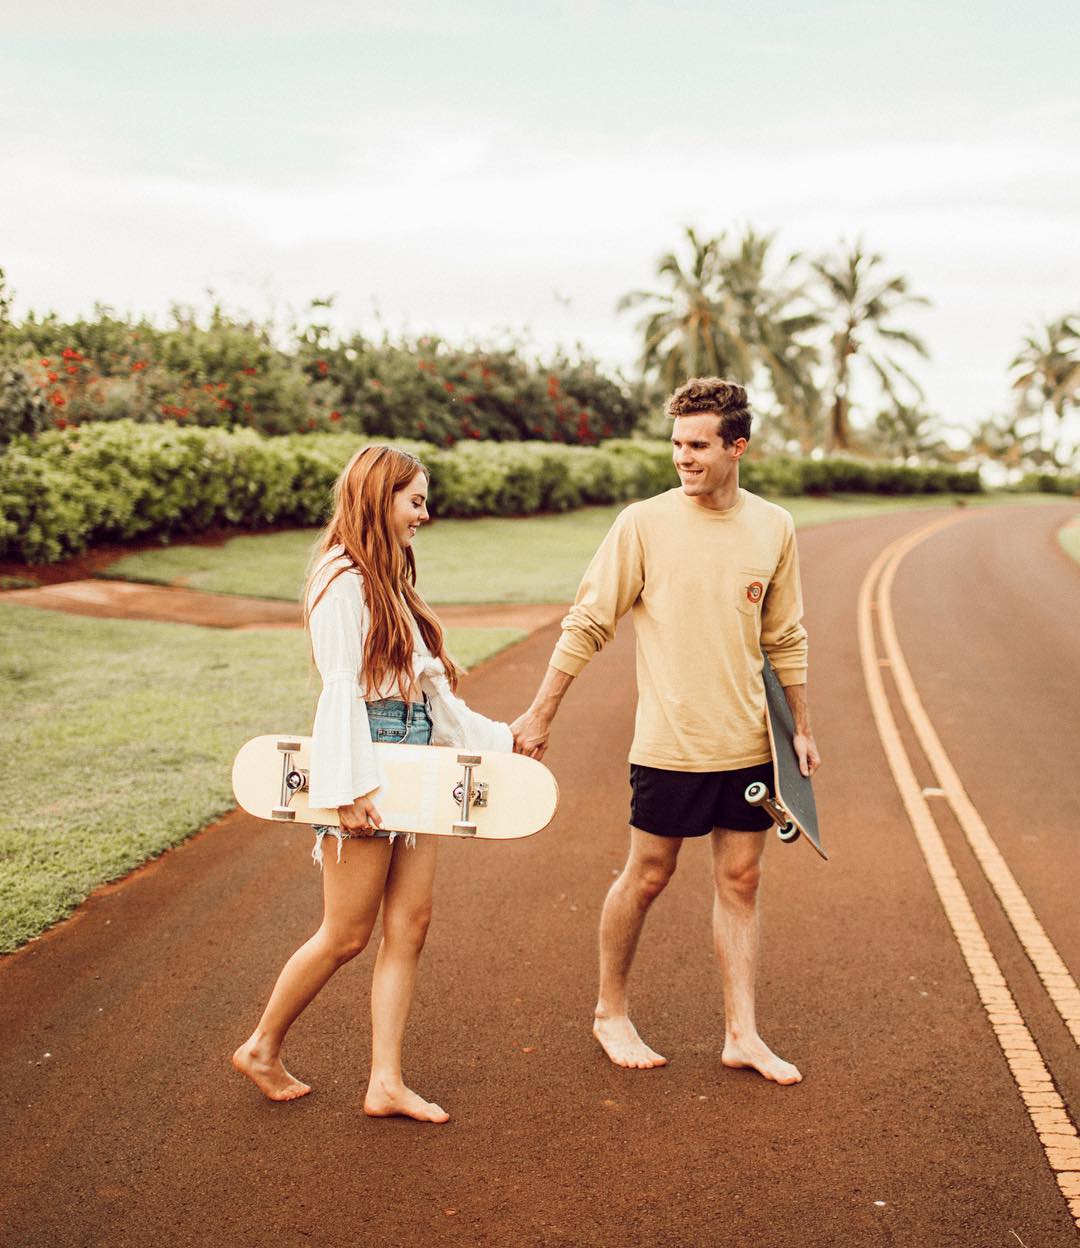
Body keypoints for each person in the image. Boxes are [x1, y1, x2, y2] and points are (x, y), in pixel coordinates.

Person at [511, 377, 820, 1085]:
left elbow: (786, 635)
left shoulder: (773, 526)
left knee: (742, 880)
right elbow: (590, 620)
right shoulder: (643, 524)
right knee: (648, 874)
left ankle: (742, 1033)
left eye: (699, 445)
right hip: (671, 743)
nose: (683, 458)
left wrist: (802, 727)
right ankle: (609, 1012)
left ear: (737, 447)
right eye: (677, 444)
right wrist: (541, 711)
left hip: (748, 744)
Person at [232, 444, 511, 1121]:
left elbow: (427, 693)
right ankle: (262, 1046)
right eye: (415, 499)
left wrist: (501, 741)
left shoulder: (385, 578)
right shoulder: (341, 579)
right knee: (346, 932)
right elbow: (339, 694)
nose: (425, 512)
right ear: (378, 497)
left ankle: (385, 1080)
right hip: (366, 755)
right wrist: (344, 788)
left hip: (413, 751)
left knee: (410, 924)